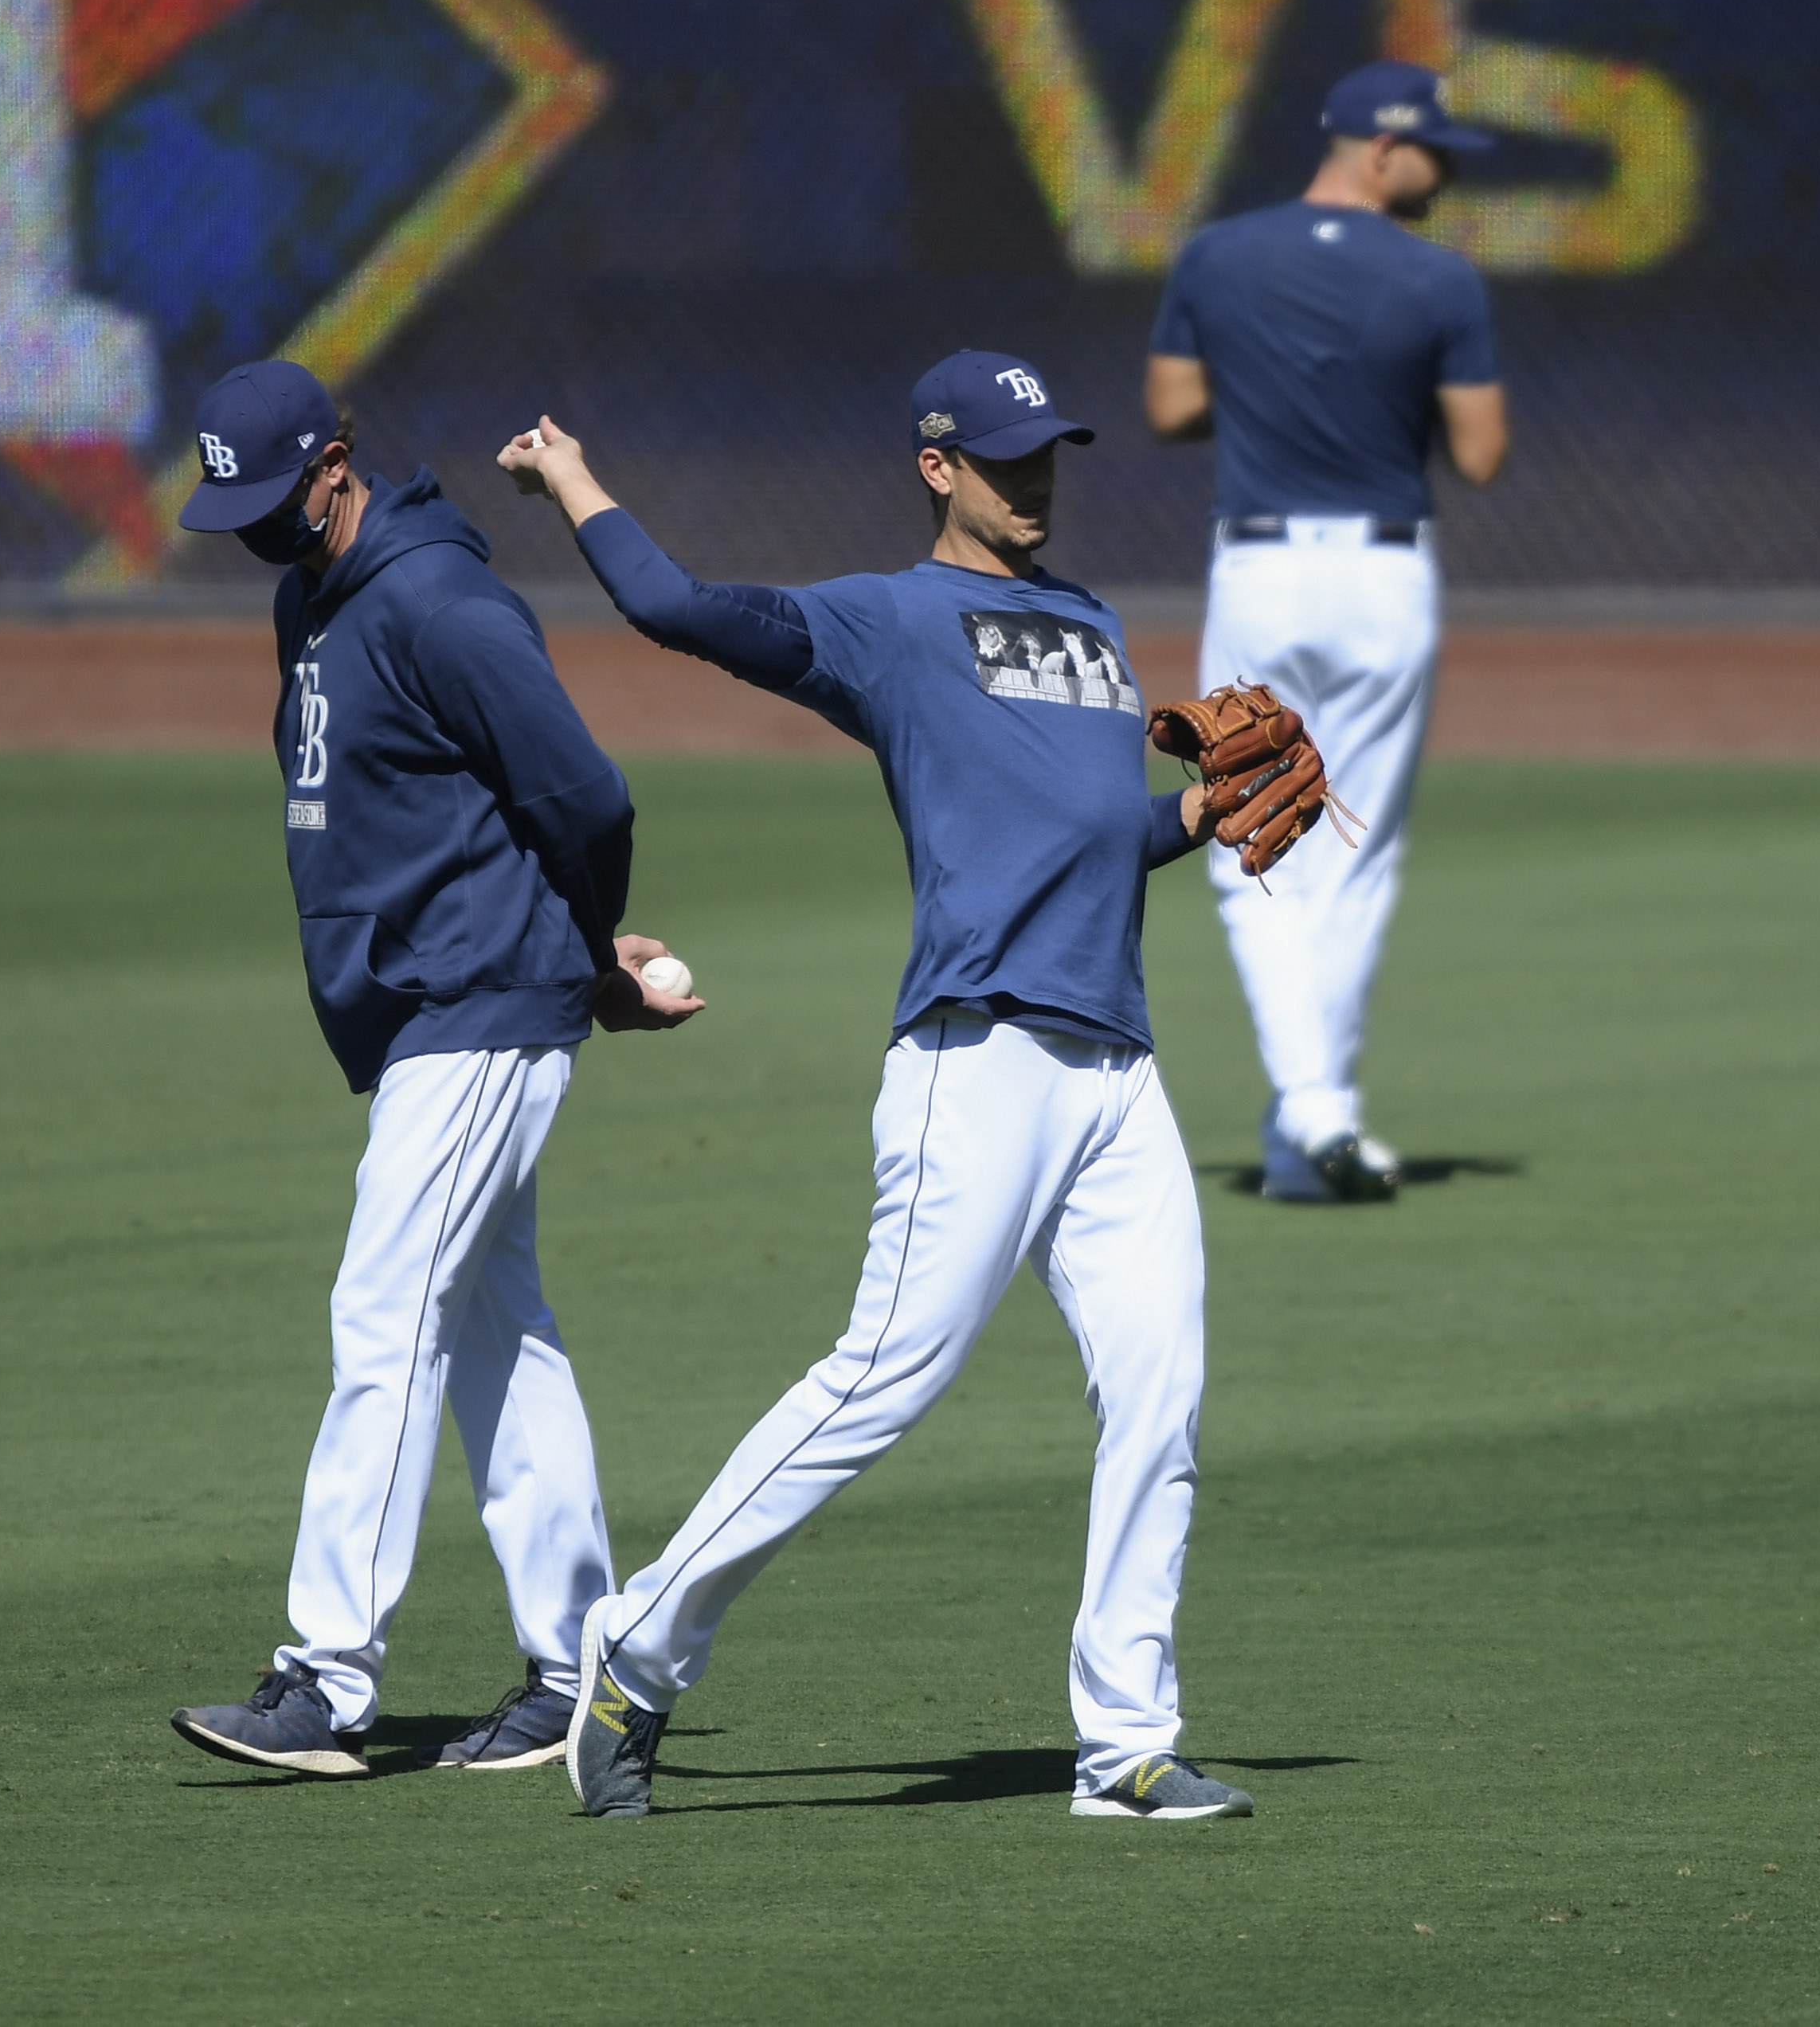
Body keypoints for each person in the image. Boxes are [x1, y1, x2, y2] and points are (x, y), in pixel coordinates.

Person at [495, 350, 1259, 1823]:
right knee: (883, 1378)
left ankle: (1127, 1744)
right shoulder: (887, 621)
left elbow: (1096, 837)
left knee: (1161, 1394)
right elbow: (677, 610)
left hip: (1119, 1070)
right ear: (937, 466)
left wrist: (1196, 814)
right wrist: (574, 479)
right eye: (1005, 452)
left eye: (1049, 450)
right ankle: (633, 1648)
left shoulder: (1096, 623)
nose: (1034, 473)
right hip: (977, 1060)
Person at [163, 358, 704, 1781]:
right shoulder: (315, 598)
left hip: (484, 1004)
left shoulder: (439, 601)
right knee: (488, 1333)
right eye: (238, 509)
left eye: (276, 498)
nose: (261, 529)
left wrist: (590, 956)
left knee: (386, 1310)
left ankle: (324, 1682)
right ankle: (581, 1660)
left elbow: (585, 792)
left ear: (337, 462)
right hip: (433, 1009)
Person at [1144, 61, 1510, 1203]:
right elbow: (1484, 454)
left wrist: (1268, 392)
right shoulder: (1442, 278)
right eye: (1435, 150)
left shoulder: (1217, 253)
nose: (1445, 170)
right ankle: (1314, 1110)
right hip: (1383, 574)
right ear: (1380, 148)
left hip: (1257, 568)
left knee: (1256, 828)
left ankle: (1307, 1127)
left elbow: (1166, 409)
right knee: (1350, 855)